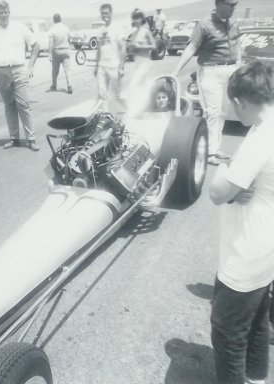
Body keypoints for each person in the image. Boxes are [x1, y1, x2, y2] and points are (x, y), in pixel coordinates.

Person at [209, 60, 274, 384]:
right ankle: (257, 379)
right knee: (258, 321)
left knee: (228, 332)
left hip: (247, 250)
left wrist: (223, 165)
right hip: (266, 249)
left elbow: (218, 192)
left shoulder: (261, 137)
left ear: (241, 102)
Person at [173, 0, 240, 166]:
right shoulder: (204, 24)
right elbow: (191, 48)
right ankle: (208, 152)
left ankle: (215, 148)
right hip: (211, 72)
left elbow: (238, 46)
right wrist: (175, 71)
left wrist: (238, 65)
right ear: (218, 4)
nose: (233, 8)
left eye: (235, 5)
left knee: (223, 112)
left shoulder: (233, 23)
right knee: (212, 112)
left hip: (230, 70)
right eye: (230, 5)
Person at [0, 0, 40, 151]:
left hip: (19, 70)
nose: (3, 15)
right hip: (0, 72)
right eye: (0, 12)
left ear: (9, 12)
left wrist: (30, 66)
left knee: (24, 105)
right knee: (9, 105)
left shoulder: (20, 27)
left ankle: (31, 139)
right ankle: (14, 138)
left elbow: (35, 45)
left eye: (6, 12)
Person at [94, 3, 127, 112]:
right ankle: (105, 117)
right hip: (102, 67)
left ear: (111, 13)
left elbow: (123, 48)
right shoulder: (100, 30)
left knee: (119, 95)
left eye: (106, 13)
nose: (104, 15)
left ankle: (131, 110)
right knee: (102, 94)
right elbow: (99, 50)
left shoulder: (118, 27)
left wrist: (121, 67)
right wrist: (96, 66)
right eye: (102, 13)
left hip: (114, 66)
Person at [126, 8, 156, 117]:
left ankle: (134, 109)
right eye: (134, 18)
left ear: (142, 18)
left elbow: (154, 46)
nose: (136, 20)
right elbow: (131, 51)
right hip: (137, 62)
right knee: (143, 86)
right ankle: (146, 109)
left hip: (145, 62)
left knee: (133, 85)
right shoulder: (133, 33)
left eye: (138, 17)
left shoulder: (145, 31)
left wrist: (140, 46)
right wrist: (130, 47)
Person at [48, 13, 72, 94]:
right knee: (67, 70)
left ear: (54, 20)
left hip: (56, 51)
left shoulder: (52, 29)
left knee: (55, 70)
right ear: (60, 19)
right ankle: (69, 85)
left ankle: (54, 85)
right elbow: (70, 38)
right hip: (65, 50)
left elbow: (51, 42)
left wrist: (49, 53)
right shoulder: (66, 28)